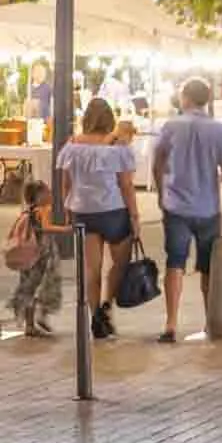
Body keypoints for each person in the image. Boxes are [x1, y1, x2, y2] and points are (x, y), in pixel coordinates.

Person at [150, 77, 222, 344]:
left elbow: (158, 163)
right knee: (207, 268)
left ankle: (170, 324)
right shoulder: (218, 130)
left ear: (187, 98)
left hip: (176, 205)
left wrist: (160, 192)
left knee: (174, 263)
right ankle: (210, 320)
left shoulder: (170, 126)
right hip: (208, 208)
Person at [58, 98, 138, 340]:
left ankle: (95, 315)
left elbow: (66, 184)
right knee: (120, 262)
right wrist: (134, 215)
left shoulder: (72, 145)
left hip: (84, 211)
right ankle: (106, 305)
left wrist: (68, 210)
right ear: (109, 119)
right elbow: (126, 185)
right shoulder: (117, 146)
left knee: (91, 269)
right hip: (113, 210)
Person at [8, 181, 69, 337]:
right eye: (47, 192)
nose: (51, 195)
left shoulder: (27, 211)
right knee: (47, 285)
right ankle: (42, 315)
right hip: (43, 254)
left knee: (29, 287)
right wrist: (65, 229)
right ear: (39, 196)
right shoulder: (42, 209)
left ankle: (29, 325)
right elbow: (46, 227)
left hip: (29, 256)